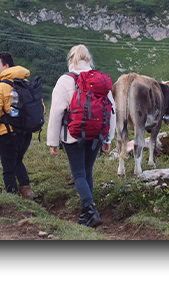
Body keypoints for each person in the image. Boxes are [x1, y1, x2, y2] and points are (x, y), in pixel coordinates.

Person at [47, 44, 116, 227]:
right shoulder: (100, 80)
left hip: (72, 135)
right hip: (96, 135)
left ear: (71, 59)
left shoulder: (65, 80)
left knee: (78, 174)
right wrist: (108, 138)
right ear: (88, 59)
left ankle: (90, 209)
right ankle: (86, 215)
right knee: (87, 173)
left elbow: (55, 114)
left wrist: (52, 141)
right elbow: (111, 111)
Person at [0, 51, 36, 199]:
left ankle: (12, 200)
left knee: (8, 169)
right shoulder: (27, 84)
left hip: (6, 134)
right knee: (17, 160)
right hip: (26, 133)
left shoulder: (0, 86)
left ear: (6, 66)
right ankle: (27, 191)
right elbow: (39, 107)